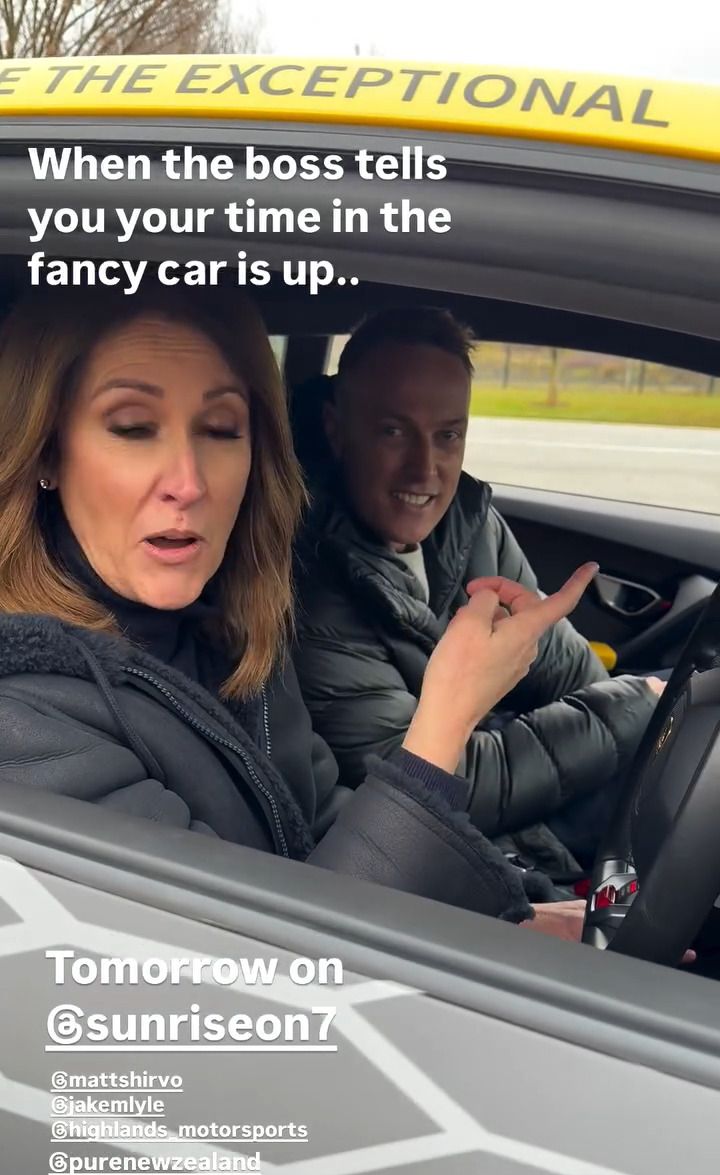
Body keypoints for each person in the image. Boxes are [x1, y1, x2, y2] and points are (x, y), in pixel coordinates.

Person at [0, 285, 595, 939]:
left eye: (221, 430)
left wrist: (520, 918)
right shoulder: (23, 720)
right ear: (48, 450)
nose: (189, 483)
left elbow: (319, 832)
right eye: (134, 428)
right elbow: (265, 966)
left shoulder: (235, 635)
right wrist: (444, 723)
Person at [292, 307, 663, 869]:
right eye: (393, 431)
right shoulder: (308, 583)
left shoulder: (469, 522)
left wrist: (632, 710)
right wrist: (633, 706)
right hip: (460, 838)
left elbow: (564, 666)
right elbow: (432, 780)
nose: (425, 470)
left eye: (448, 435)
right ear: (336, 430)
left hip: (522, 799)